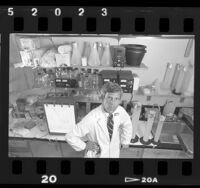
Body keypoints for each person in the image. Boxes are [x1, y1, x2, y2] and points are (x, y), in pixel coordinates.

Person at [65, 82, 133, 158]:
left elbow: (127, 124)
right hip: (97, 154)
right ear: (102, 98)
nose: (112, 103)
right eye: (109, 98)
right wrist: (85, 145)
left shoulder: (120, 111)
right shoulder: (92, 118)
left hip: (114, 152)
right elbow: (70, 136)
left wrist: (125, 141)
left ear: (120, 101)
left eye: (116, 99)